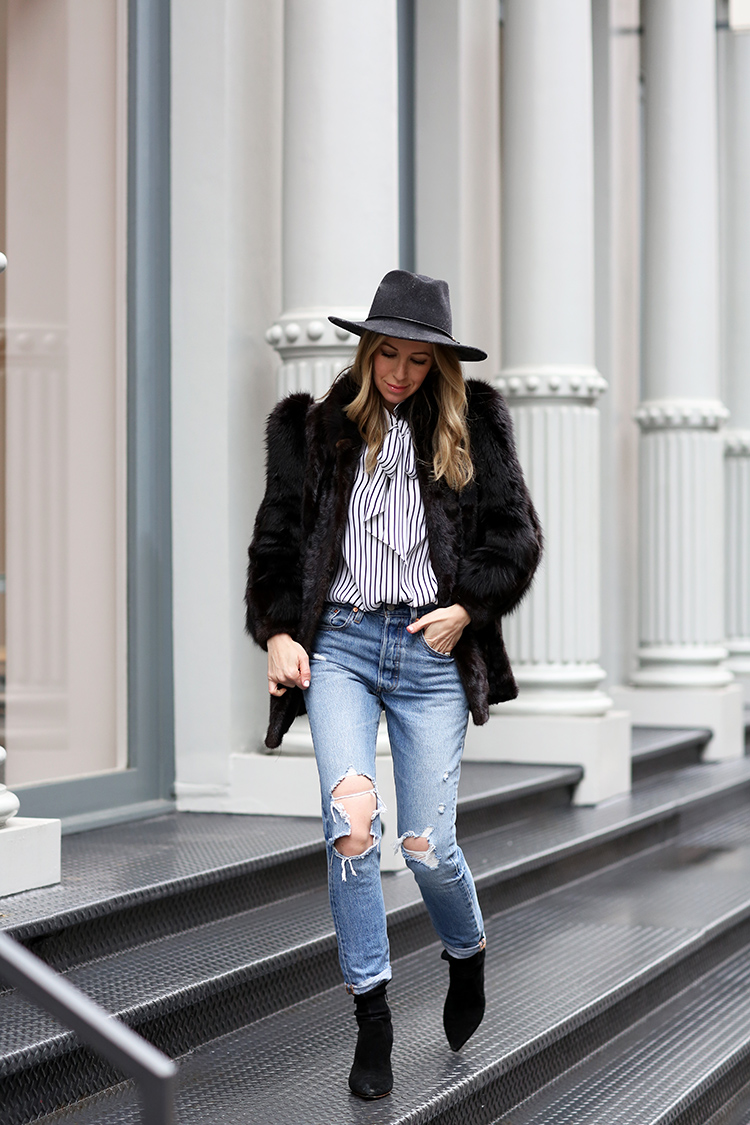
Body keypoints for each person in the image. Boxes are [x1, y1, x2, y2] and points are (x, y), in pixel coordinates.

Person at [245, 270, 542, 1100]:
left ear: (439, 364)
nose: (401, 372)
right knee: (350, 824)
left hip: (427, 654)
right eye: (390, 354)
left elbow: (516, 540)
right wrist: (275, 630)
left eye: (419, 359)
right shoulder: (316, 431)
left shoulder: (471, 425)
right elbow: (276, 539)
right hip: (339, 643)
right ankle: (371, 1017)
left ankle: (467, 951)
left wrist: (466, 609)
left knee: (425, 846)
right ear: (369, 349)